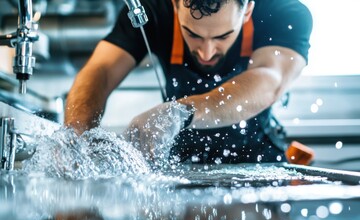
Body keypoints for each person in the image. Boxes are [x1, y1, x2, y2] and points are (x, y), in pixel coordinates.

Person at [65, 0, 313, 164]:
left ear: (247, 8)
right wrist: (75, 137)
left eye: (222, 36)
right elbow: (101, 71)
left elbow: (270, 79)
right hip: (180, 163)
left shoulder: (284, 13)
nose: (206, 53)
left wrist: (178, 113)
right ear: (174, 4)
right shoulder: (152, 9)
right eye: (192, 34)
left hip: (258, 160)